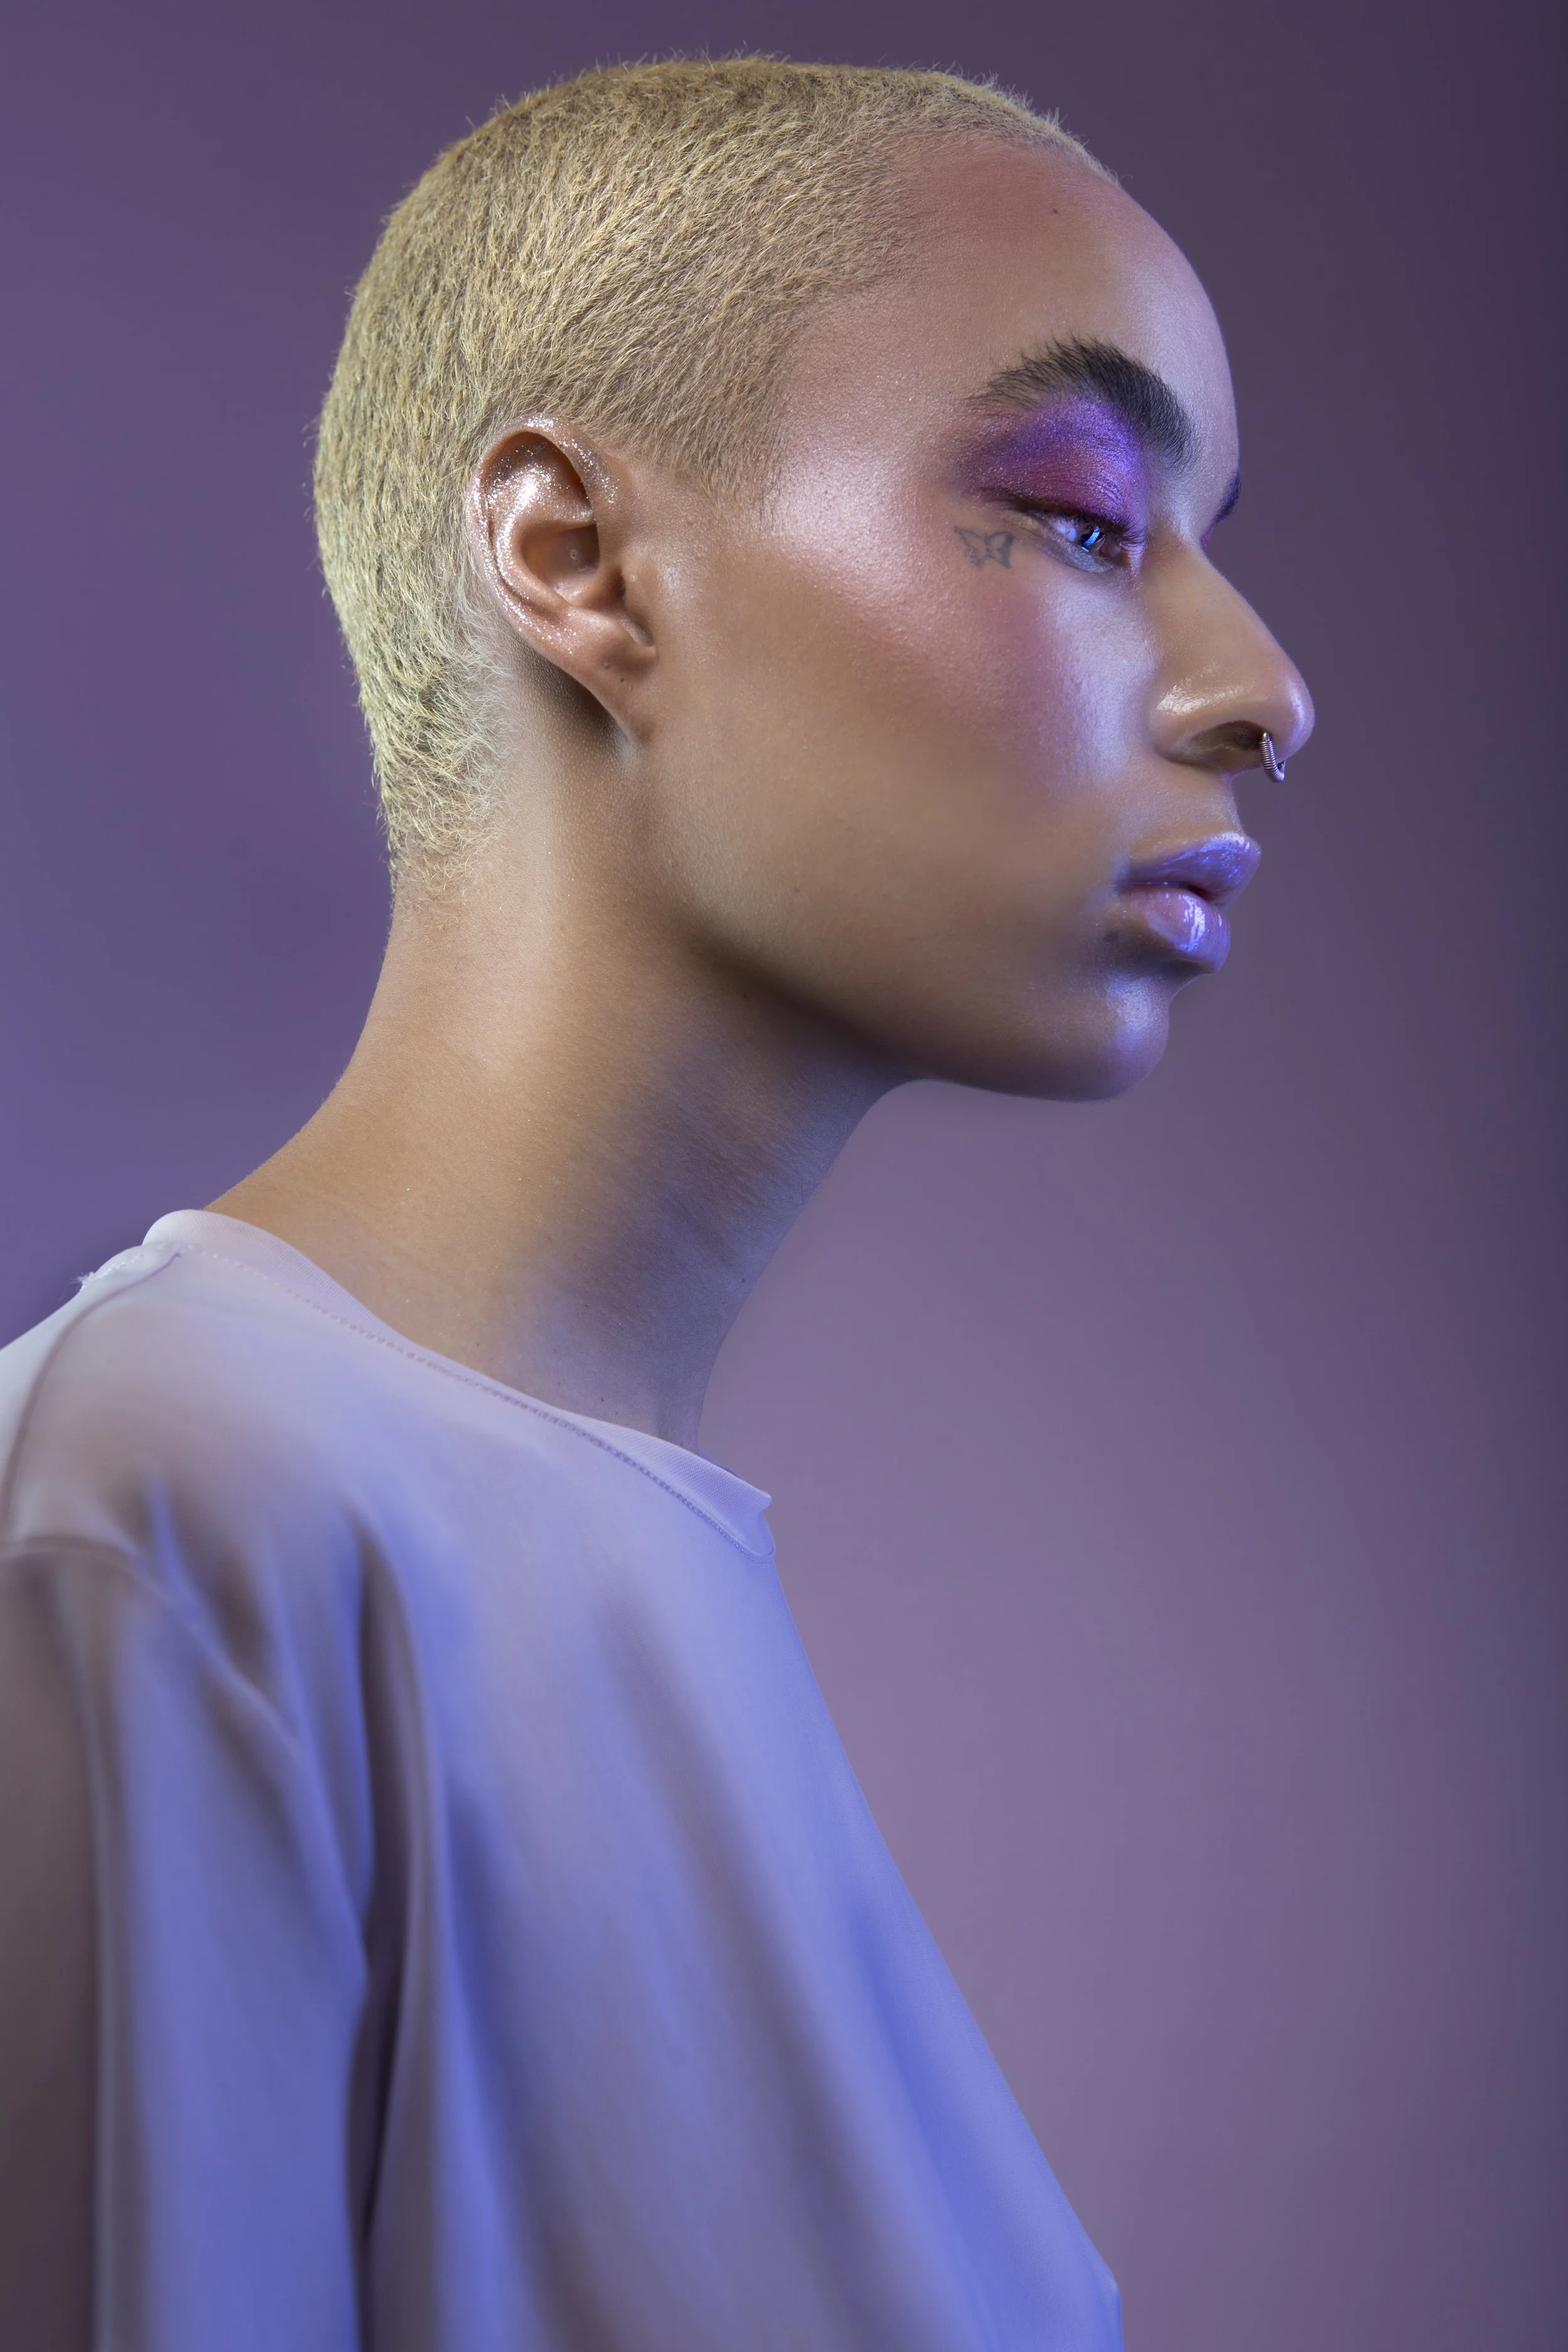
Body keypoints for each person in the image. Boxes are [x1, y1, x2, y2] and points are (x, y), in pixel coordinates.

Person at [0, 56, 1311, 2351]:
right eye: (1086, 517)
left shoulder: (564, 1543)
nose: (1258, 688)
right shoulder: (179, 1508)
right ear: (575, 561)